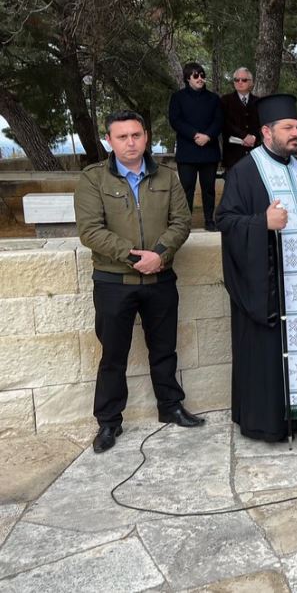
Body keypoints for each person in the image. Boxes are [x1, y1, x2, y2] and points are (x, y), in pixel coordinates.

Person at [75, 110, 200, 454]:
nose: (130, 143)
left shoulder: (168, 177)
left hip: (160, 279)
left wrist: (159, 254)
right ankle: (109, 422)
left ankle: (170, 407)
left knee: (164, 349)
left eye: (136, 135)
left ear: (145, 137)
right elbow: (90, 231)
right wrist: (134, 257)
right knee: (113, 354)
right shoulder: (93, 179)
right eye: (122, 137)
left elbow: (181, 221)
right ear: (109, 141)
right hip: (114, 282)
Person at [215, 94, 297, 441]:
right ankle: (269, 420)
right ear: (267, 132)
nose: (296, 132)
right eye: (289, 127)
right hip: (272, 289)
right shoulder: (245, 171)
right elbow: (224, 220)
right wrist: (261, 222)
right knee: (272, 358)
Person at [168, 61, 224, 231]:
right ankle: (184, 223)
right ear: (187, 79)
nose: (200, 78)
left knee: (209, 189)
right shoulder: (178, 97)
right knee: (186, 189)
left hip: (209, 151)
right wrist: (194, 135)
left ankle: (209, 220)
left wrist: (207, 136)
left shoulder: (214, 99)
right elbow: (175, 120)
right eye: (196, 76)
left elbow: (219, 120)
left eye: (202, 75)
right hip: (187, 152)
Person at [220, 67, 261, 173]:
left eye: (244, 80)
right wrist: (244, 136)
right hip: (232, 155)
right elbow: (224, 123)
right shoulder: (225, 100)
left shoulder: (258, 102)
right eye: (236, 80)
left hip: (254, 154)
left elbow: (261, 124)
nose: (240, 82)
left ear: (251, 82)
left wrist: (253, 137)